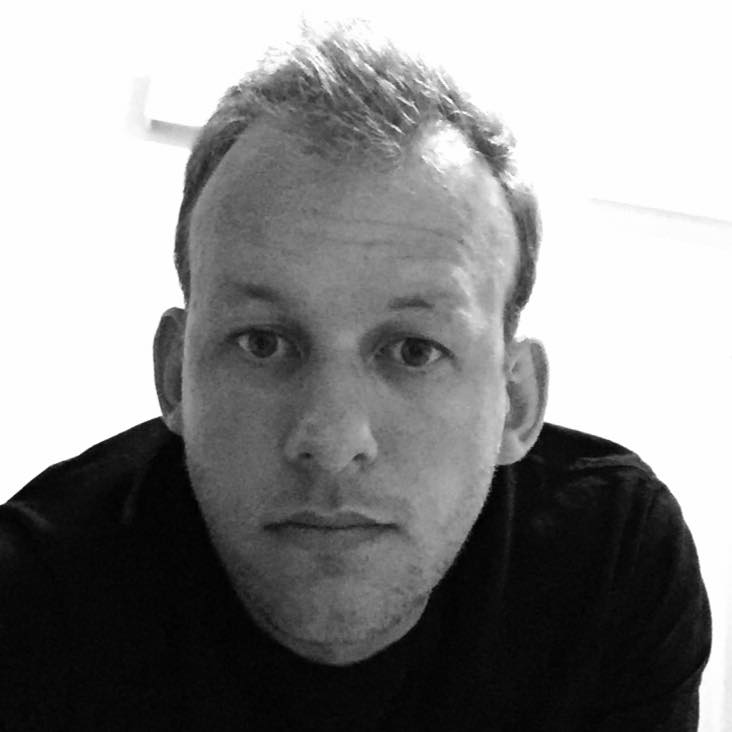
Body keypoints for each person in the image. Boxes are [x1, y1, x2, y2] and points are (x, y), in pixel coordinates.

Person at [0, 20, 711, 732]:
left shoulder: (610, 565)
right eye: (263, 343)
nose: (333, 441)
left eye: (414, 351)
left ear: (515, 401)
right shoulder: (32, 601)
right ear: (175, 376)